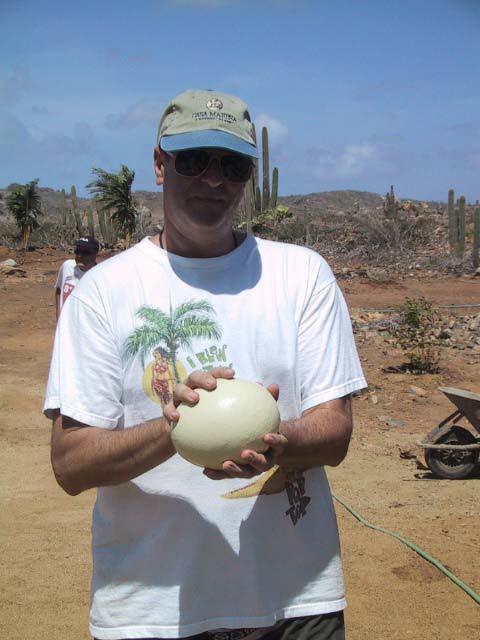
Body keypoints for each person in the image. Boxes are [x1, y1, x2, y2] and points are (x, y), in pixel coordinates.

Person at [44, 89, 367, 640]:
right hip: (152, 611)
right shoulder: (103, 292)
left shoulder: (303, 275)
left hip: (296, 602)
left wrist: (272, 440)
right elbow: (71, 464)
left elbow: (334, 433)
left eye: (232, 165)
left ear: (248, 176)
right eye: (194, 160)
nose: (214, 179)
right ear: (160, 165)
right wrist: (178, 428)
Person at [54, 235, 100, 319]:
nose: (79, 255)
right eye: (77, 251)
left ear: (95, 255)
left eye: (85, 252)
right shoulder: (67, 266)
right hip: (65, 324)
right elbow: (59, 289)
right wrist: (58, 313)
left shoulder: (100, 277)